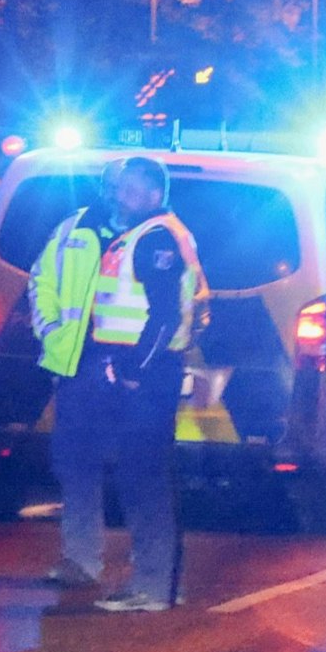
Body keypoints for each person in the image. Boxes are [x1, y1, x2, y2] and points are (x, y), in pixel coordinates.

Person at [84, 156, 206, 612]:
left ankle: (153, 587)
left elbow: (164, 315)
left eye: (131, 190)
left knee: (147, 481)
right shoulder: (156, 232)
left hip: (147, 375)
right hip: (143, 370)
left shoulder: (157, 237)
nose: (120, 196)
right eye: (119, 188)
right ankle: (155, 583)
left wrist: (135, 371)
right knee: (142, 479)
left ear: (155, 193)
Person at [28, 158, 126, 588]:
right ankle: (80, 560)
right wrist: (51, 331)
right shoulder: (73, 228)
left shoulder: (152, 232)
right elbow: (41, 280)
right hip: (78, 366)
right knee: (76, 466)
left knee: (140, 473)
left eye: (121, 184)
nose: (114, 191)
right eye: (109, 183)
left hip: (129, 370)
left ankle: (150, 572)